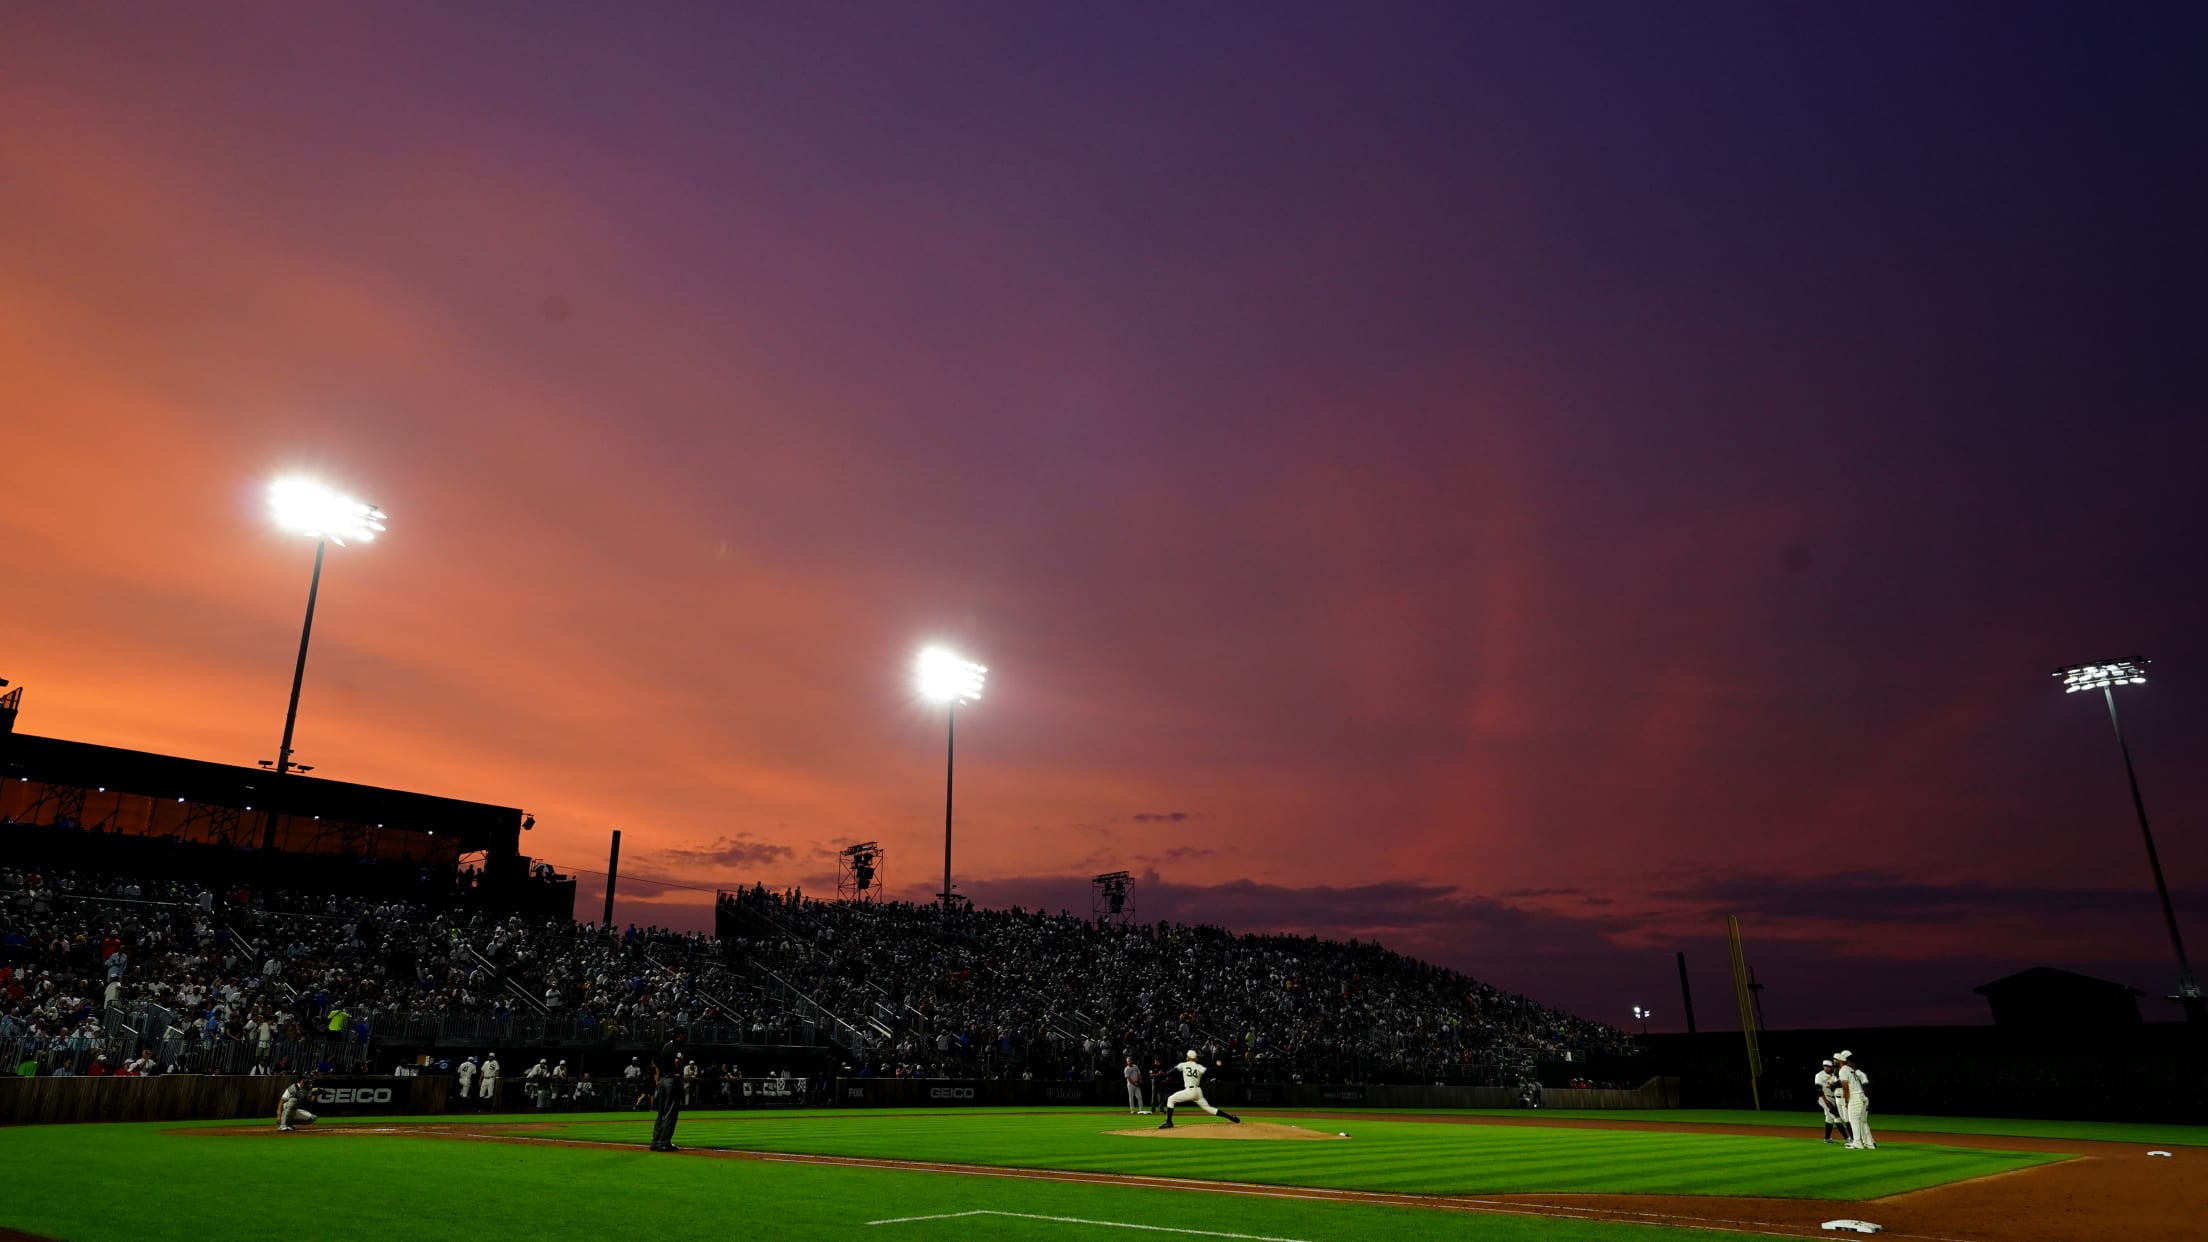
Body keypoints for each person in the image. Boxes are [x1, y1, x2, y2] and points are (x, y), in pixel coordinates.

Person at [1157, 1049, 1240, 1129]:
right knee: (1208, 1108)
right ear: (1195, 1058)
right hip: (1198, 1091)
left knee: (1171, 1099)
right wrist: (1217, 1066)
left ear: (1188, 1057)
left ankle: (1169, 1122)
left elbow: (1170, 1073)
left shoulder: (1183, 1064)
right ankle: (1231, 1117)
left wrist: (1167, 1075)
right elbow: (1210, 1072)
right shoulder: (1198, 1066)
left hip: (1189, 1091)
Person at [650, 1028, 686, 1152]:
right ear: (679, 1035)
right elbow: (677, 1061)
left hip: (662, 1080)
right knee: (670, 1112)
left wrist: (658, 1080)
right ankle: (664, 1143)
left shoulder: (666, 1046)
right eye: (683, 1034)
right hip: (672, 1080)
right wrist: (680, 1073)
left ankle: (655, 1141)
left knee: (661, 1113)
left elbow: (656, 1063)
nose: (684, 1036)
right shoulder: (678, 1045)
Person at [1834, 1050, 1874, 1150]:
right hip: (1861, 1096)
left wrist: (1847, 1101)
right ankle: (1869, 1143)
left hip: (1855, 1097)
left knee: (1854, 1120)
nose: (1834, 1061)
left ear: (1840, 1060)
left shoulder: (1843, 1070)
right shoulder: (1851, 1069)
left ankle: (1857, 1142)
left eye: (1835, 1060)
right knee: (1862, 1121)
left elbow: (1845, 1087)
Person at [1814, 1059, 1851, 1145]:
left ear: (1831, 1067)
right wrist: (1826, 1101)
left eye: (1828, 1066)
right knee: (1836, 1116)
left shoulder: (1834, 1075)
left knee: (1829, 1118)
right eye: (1825, 1066)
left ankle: (1827, 1138)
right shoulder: (1819, 1075)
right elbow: (1819, 1089)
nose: (1826, 1068)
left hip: (1833, 1098)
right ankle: (1847, 1138)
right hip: (1824, 1098)